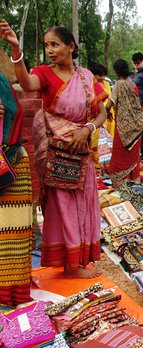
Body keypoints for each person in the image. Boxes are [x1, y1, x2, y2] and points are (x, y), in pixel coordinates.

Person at [0, 22, 108, 278]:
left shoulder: (86, 77)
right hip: (56, 152)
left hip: (81, 150)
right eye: (46, 45)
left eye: (55, 44)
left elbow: (102, 112)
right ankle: (70, 266)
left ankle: (80, 260)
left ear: (71, 47)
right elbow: (26, 84)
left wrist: (87, 129)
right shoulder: (44, 73)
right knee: (63, 207)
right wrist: (16, 49)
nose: (50, 50)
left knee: (84, 204)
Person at [0, 72, 33, 305]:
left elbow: (15, 115)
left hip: (13, 163)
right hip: (10, 161)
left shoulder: (1, 80)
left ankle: (14, 293)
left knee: (16, 232)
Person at [105, 59, 143, 188]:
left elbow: (109, 104)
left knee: (120, 154)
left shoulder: (119, 85)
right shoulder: (132, 85)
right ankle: (134, 181)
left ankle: (121, 182)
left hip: (123, 127)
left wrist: (106, 111)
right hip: (137, 125)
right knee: (133, 155)